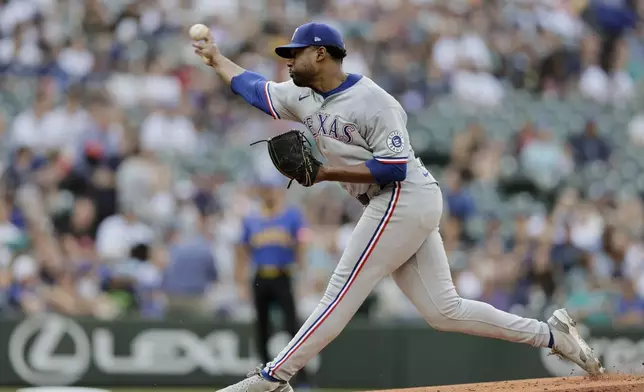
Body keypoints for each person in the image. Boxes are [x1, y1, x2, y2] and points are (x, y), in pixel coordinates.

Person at [192, 22, 603, 392]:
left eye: (294, 53)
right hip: (399, 202)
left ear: (321, 54)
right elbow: (254, 89)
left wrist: (325, 173)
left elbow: (392, 168)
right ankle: (552, 335)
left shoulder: (373, 100)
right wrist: (215, 59)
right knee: (445, 311)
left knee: (340, 291)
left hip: (403, 195)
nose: (288, 61)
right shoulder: (300, 95)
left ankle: (273, 379)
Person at [236, 179, 310, 387]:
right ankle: (263, 378)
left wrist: (303, 275)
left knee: (292, 327)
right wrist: (241, 281)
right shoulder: (251, 218)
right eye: (265, 190)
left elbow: (302, 245)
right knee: (262, 328)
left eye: (271, 190)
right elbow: (242, 249)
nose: (268, 194)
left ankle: (302, 377)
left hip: (283, 275)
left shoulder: (291, 216)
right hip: (260, 276)